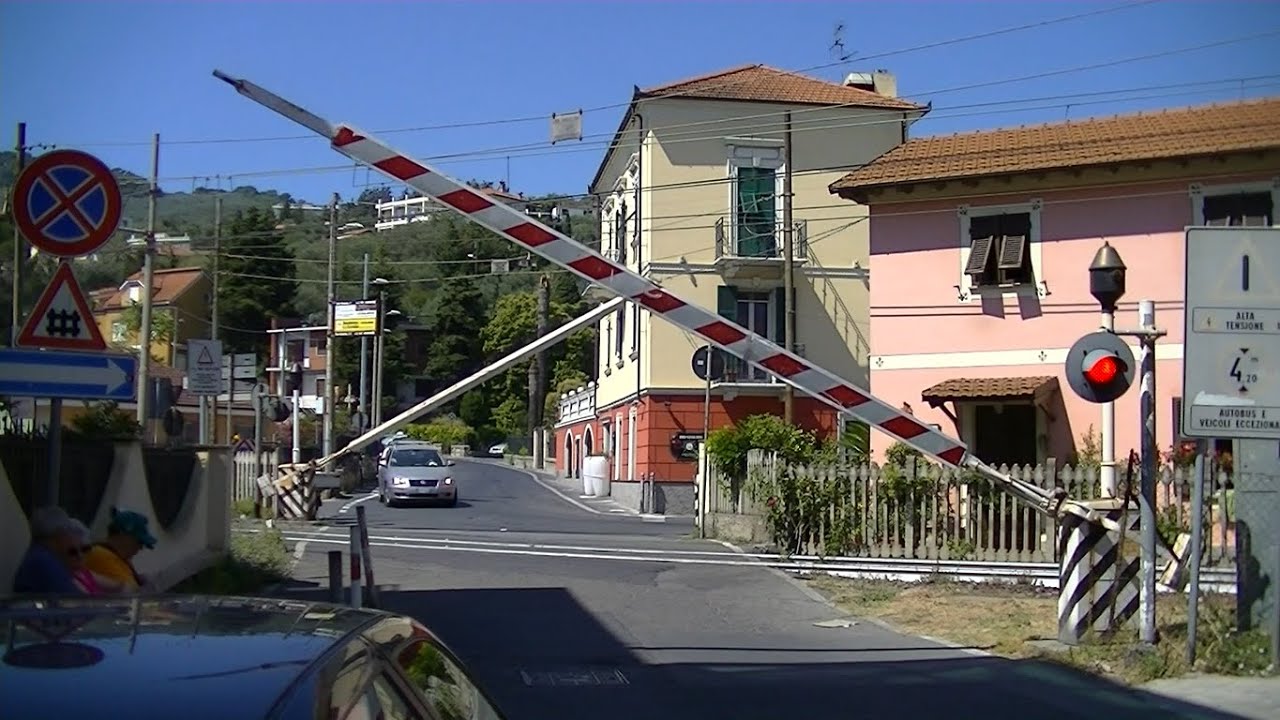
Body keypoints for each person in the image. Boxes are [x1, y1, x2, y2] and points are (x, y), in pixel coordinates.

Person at [12, 506, 84, 595]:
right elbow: (75, 599)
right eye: (68, 532)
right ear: (59, 535)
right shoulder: (42, 561)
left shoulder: (39, 556)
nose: (70, 537)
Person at [82, 507, 156, 593]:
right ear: (123, 535)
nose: (140, 548)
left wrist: (140, 579)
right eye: (139, 542)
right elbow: (131, 594)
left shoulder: (118, 557)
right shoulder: (100, 555)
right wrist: (148, 583)